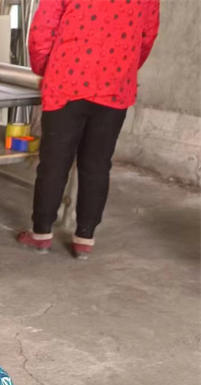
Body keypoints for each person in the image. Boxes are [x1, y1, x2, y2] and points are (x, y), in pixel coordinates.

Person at [17, 0, 160, 259]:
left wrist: (45, 68)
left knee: (54, 163)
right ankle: (84, 238)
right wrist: (122, 67)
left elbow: (42, 29)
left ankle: (41, 234)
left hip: (67, 81)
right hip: (115, 85)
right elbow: (147, 35)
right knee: (97, 165)